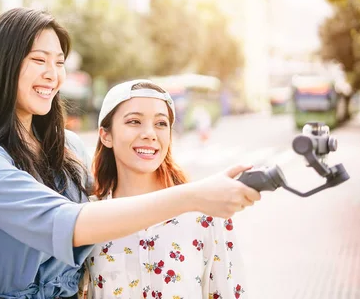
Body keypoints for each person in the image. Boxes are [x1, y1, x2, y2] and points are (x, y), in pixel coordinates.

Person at [0, 7, 260, 299]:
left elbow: (112, 207)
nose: (52, 74)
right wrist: (194, 196)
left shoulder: (68, 148)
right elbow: (68, 223)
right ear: (3, 64)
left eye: (59, 62)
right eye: (39, 60)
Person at [85, 79, 247, 298]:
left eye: (161, 124)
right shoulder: (88, 219)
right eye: (134, 121)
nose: (150, 134)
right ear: (106, 135)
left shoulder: (205, 212)